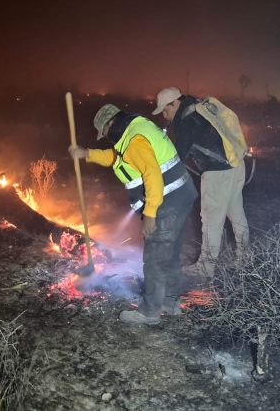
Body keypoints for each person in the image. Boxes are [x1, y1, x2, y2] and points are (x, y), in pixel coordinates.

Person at [69, 104, 197, 325]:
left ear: (111, 124)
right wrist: (87, 153)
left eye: (105, 132)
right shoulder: (135, 130)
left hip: (166, 201)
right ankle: (169, 302)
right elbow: (117, 157)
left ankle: (150, 312)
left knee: (155, 258)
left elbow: (152, 175)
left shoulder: (134, 141)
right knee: (170, 252)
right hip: (181, 195)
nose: (107, 137)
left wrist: (150, 214)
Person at [152, 87, 249, 278]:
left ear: (175, 103)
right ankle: (244, 258)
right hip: (236, 165)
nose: (165, 115)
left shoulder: (187, 121)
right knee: (237, 215)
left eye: (166, 110)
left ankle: (206, 266)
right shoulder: (200, 108)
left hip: (217, 174)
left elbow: (177, 158)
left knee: (211, 220)